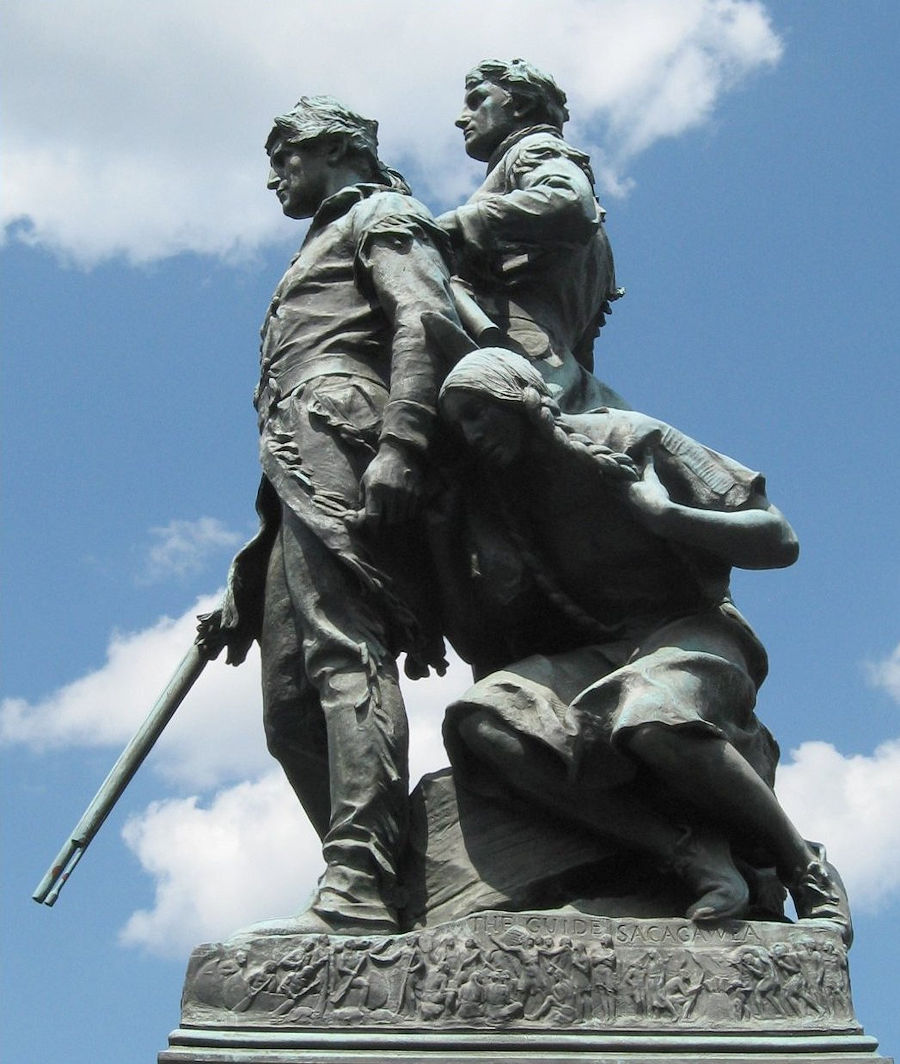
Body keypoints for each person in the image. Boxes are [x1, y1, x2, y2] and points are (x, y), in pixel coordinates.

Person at [432, 348, 852, 944]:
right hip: (604, 653)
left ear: (520, 399)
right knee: (484, 718)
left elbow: (778, 540)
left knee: (652, 714)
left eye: (479, 413)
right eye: (460, 425)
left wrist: (667, 516)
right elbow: (479, 639)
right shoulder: (499, 502)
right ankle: (691, 854)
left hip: (694, 631)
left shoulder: (631, 439)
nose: (472, 435)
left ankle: (804, 870)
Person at [197, 96, 464, 935]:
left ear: (333, 149)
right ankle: (392, 877)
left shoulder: (382, 213)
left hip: (350, 434)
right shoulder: (320, 238)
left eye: (285, 152)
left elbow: (425, 319)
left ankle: (357, 880)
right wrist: (255, 567)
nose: (273, 172)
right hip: (299, 467)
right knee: (286, 708)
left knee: (346, 653)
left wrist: (405, 442)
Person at [436, 58, 626, 411]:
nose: (462, 118)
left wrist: (459, 223)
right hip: (549, 361)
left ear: (520, 106)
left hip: (517, 348)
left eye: (477, 101)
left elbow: (568, 200)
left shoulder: (532, 149)